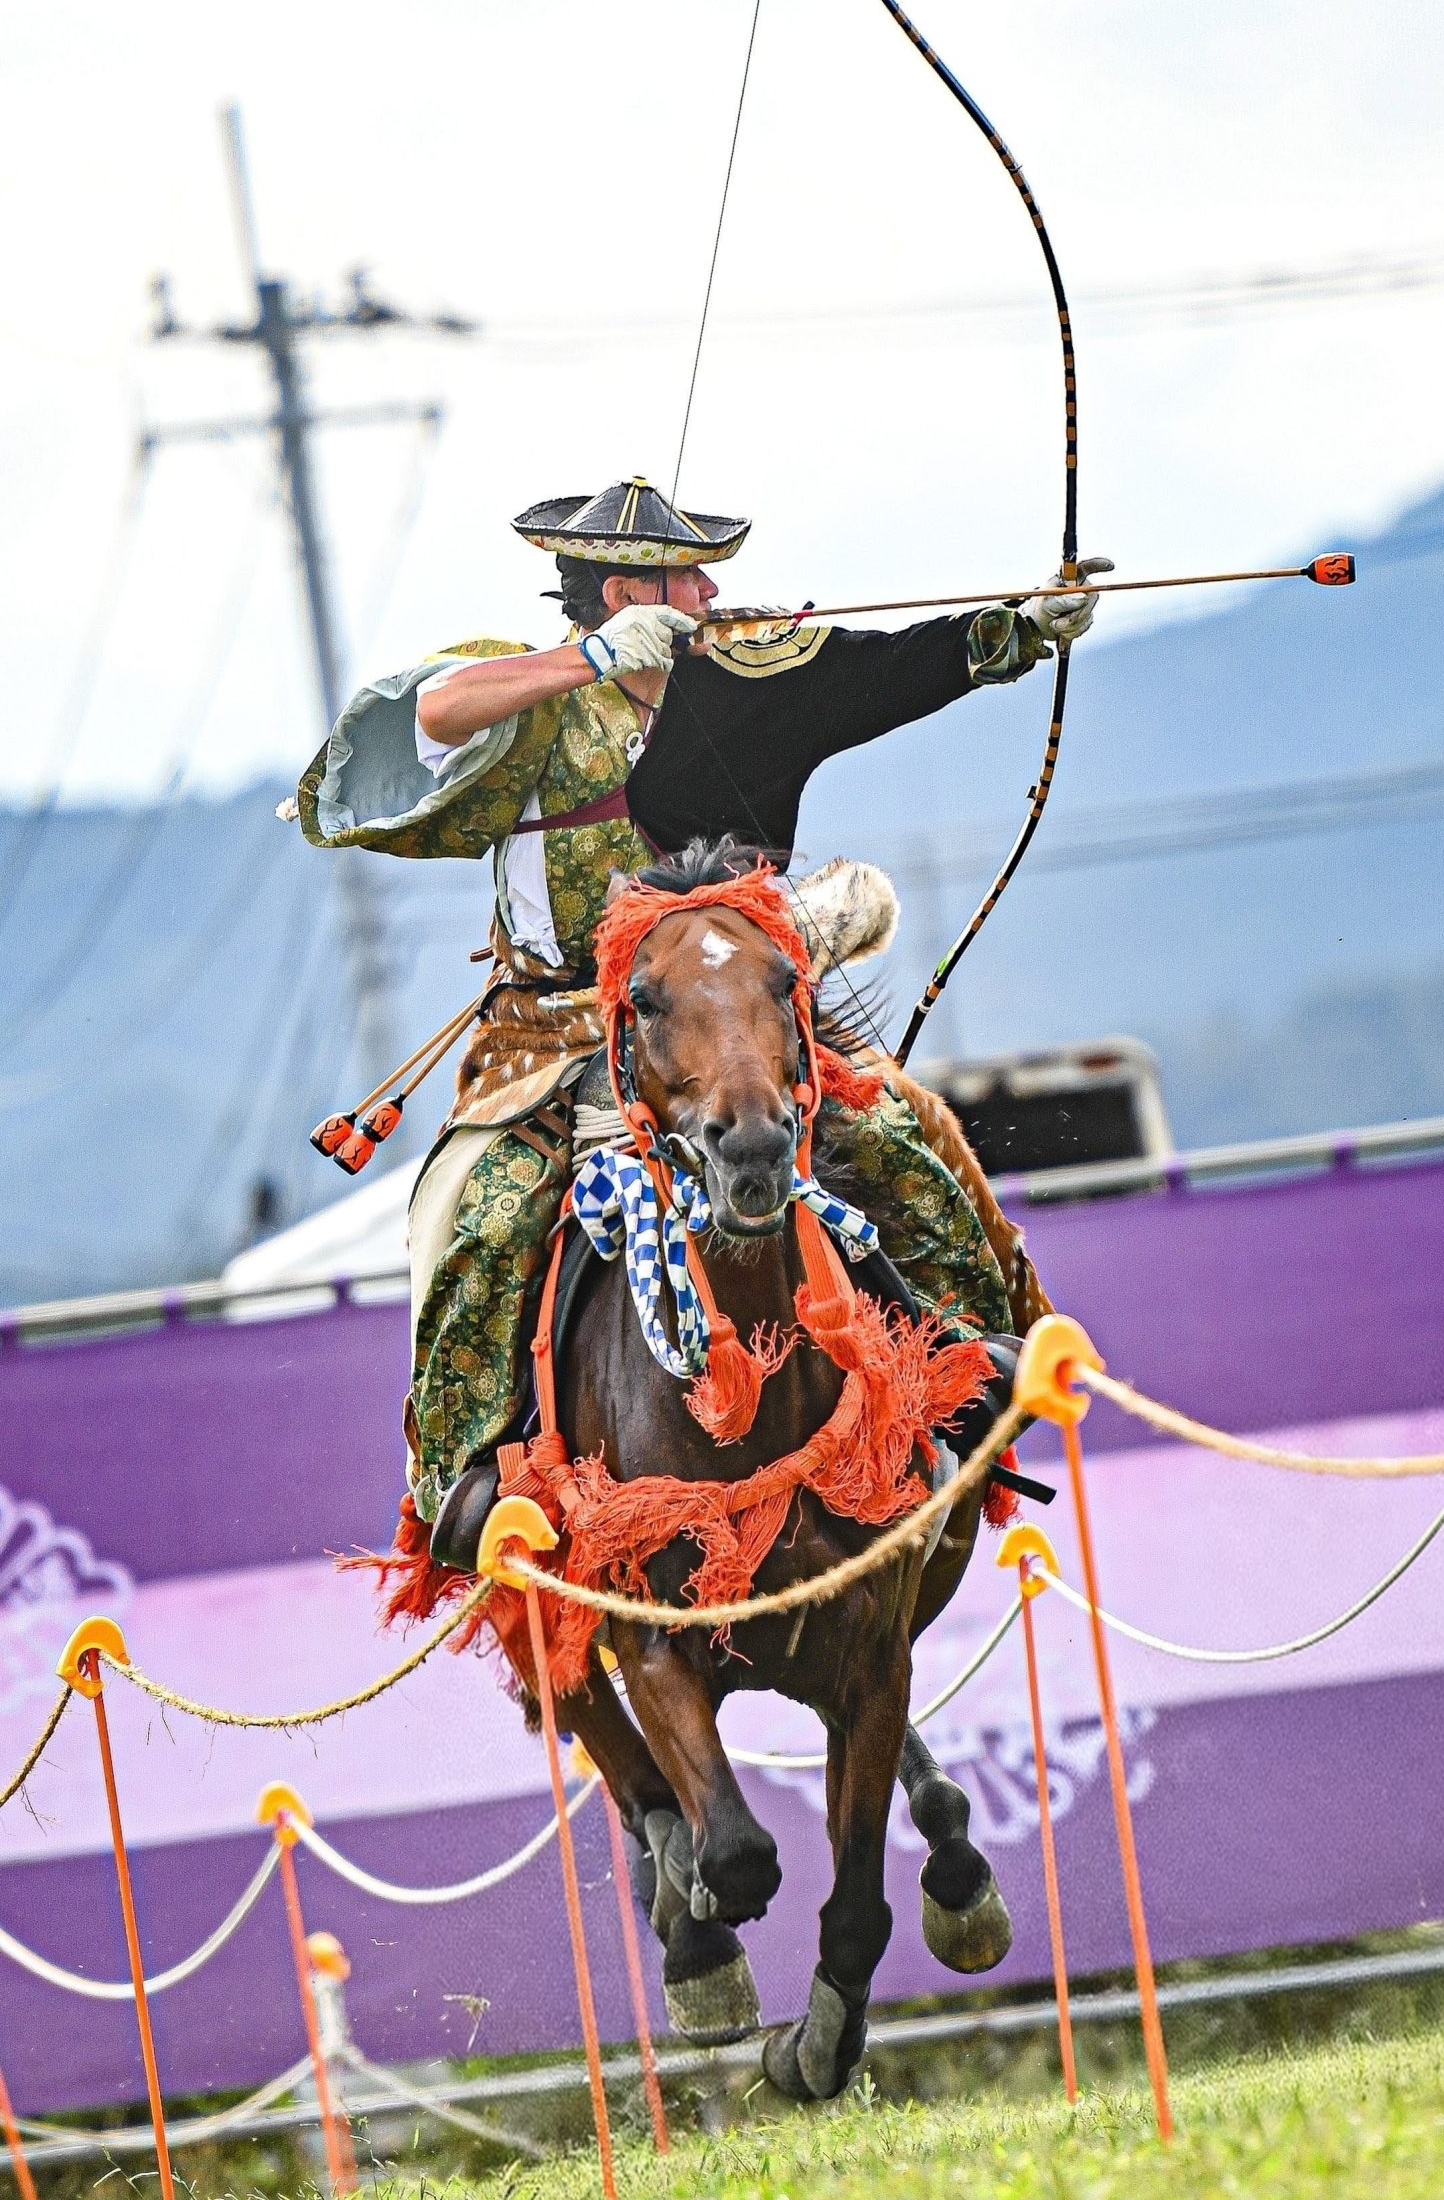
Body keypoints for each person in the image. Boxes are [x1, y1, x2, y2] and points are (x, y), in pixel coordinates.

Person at [294, 476, 1102, 1543]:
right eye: (686, 573)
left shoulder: (733, 674)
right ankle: (464, 1475)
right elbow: (426, 713)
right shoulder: (531, 685)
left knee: (897, 1134)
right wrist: (589, 659)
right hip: (559, 1033)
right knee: (475, 1213)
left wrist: (1012, 631)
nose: (711, 589)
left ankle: (963, 1361)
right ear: (625, 589)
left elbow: (873, 672)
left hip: (723, 1027)